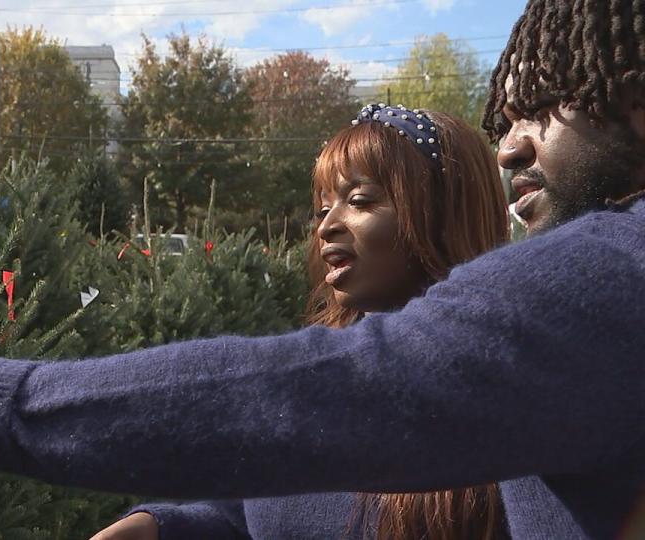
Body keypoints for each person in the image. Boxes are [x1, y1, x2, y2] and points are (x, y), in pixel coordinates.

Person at [0, 1, 645, 538]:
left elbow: (337, 402)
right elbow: (279, 478)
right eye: (322, 200)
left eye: (553, 101)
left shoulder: (606, 281)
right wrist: (177, 527)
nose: (515, 143)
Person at [92, 106, 510, 540]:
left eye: (360, 200)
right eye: (322, 208)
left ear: (443, 214)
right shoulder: (311, 377)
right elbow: (246, 514)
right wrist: (155, 527)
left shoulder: (509, 393)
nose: (327, 226)